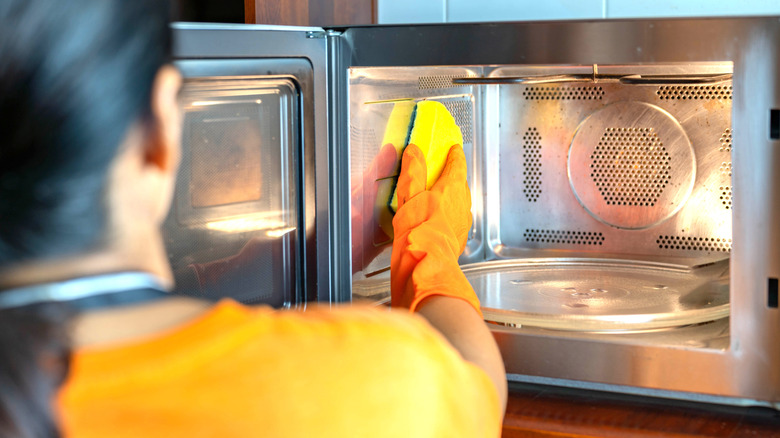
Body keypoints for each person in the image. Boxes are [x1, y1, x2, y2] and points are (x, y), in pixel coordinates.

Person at [0, 0, 507, 437]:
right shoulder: (365, 385)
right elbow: (477, 383)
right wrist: (429, 248)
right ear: (160, 131)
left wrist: (319, 244)